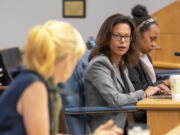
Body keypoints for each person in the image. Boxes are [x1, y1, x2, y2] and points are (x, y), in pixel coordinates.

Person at [0, 20, 122, 135]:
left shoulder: (33, 79)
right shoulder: (34, 86)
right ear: (65, 59)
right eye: (75, 59)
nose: (75, 65)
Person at [84, 13, 161, 133]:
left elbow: (130, 93)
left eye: (126, 36)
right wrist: (144, 93)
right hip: (105, 129)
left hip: (125, 125)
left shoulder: (122, 63)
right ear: (107, 37)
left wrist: (154, 90)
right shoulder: (99, 64)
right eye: (117, 36)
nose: (122, 41)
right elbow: (115, 100)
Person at [128, 5, 170, 93]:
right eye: (152, 39)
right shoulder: (129, 58)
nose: (154, 44)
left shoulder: (145, 56)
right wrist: (163, 83)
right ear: (137, 35)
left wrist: (169, 80)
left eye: (156, 40)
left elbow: (152, 79)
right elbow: (138, 89)